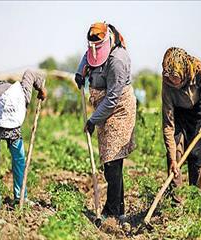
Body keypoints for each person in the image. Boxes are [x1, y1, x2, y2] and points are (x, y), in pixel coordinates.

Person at [75, 22, 136, 224]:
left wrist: (93, 120)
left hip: (118, 109)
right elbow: (88, 56)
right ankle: (119, 211)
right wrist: (80, 71)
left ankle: (112, 211)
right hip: (105, 109)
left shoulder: (118, 60)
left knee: (113, 161)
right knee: (112, 164)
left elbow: (112, 98)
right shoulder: (94, 48)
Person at [0, 70, 47, 210]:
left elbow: (30, 73)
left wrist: (41, 88)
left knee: (18, 155)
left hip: (12, 105)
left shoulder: (24, 95)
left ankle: (21, 196)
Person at [161, 47, 201, 197]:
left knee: (196, 156)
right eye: (169, 77)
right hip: (178, 114)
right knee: (175, 156)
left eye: (175, 77)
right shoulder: (167, 83)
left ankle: (196, 200)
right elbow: (168, 124)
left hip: (198, 113)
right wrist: (172, 158)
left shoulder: (199, 70)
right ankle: (175, 202)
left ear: (184, 71)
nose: (172, 81)